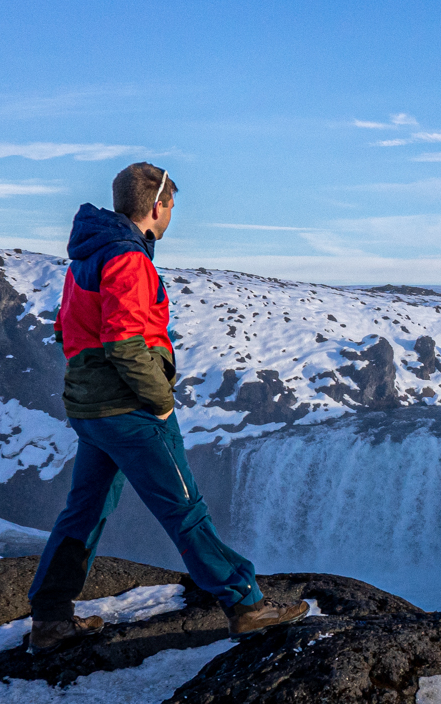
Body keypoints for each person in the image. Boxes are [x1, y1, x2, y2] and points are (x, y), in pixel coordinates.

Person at [26, 162, 309, 652]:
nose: (173, 214)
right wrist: (159, 401)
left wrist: (89, 389)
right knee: (185, 511)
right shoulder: (127, 259)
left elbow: (65, 332)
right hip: (130, 413)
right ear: (157, 206)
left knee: (85, 510)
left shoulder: (86, 256)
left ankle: (51, 618)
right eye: (173, 205)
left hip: (91, 412)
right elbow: (125, 343)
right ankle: (246, 604)